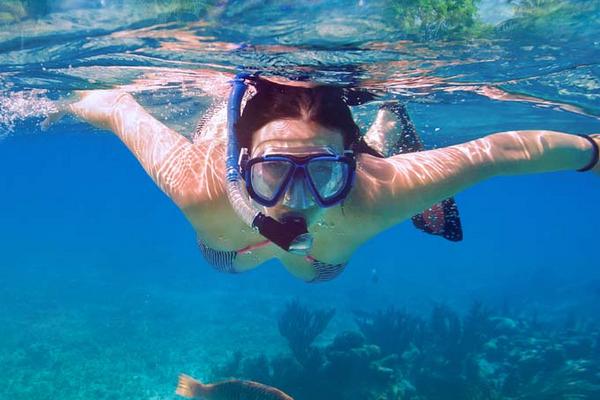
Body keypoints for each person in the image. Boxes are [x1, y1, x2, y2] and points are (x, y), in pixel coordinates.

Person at [46, 74, 599, 283]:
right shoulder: (198, 184)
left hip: (321, 260)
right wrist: (62, 100)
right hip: (232, 250)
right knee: (235, 265)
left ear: (349, 167)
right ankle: (379, 126)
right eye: (274, 171)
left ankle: (382, 126)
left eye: (326, 173)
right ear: (241, 167)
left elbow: (500, 152)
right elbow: (119, 106)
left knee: (312, 273)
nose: (297, 200)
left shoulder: (378, 192)